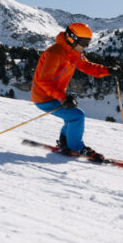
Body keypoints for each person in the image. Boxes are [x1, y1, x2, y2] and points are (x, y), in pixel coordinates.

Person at [31, 23, 115, 160]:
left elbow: (87, 66)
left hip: (56, 95)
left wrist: (108, 70)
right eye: (83, 42)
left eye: (88, 42)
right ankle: (76, 148)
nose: (86, 46)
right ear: (71, 38)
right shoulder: (55, 53)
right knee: (77, 116)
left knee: (71, 115)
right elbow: (43, 81)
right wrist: (62, 97)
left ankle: (65, 142)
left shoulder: (74, 53)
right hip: (44, 97)